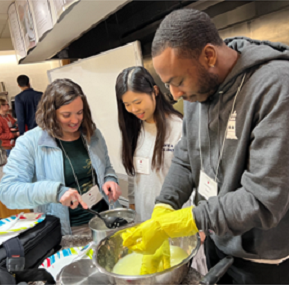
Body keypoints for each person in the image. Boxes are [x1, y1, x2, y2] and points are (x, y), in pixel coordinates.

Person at [122, 8, 289, 284]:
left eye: (178, 82)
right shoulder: (197, 91)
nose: (175, 96)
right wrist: (165, 205)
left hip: (263, 259)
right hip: (216, 241)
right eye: (167, 85)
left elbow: (262, 200)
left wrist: (190, 220)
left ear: (209, 56)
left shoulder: (275, 87)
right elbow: (186, 157)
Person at [0, 79, 121, 235]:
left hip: (105, 219)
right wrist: (55, 191)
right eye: (66, 115)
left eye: (80, 112)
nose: (75, 120)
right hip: (67, 231)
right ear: (50, 113)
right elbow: (8, 192)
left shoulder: (92, 134)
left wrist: (110, 179)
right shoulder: (30, 142)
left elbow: (107, 168)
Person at [115, 66, 183, 222]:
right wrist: (132, 203)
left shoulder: (178, 128)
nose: (133, 109)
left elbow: (193, 179)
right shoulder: (134, 129)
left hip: (173, 219)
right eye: (127, 104)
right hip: (144, 218)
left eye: (137, 101)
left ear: (155, 91)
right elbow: (134, 174)